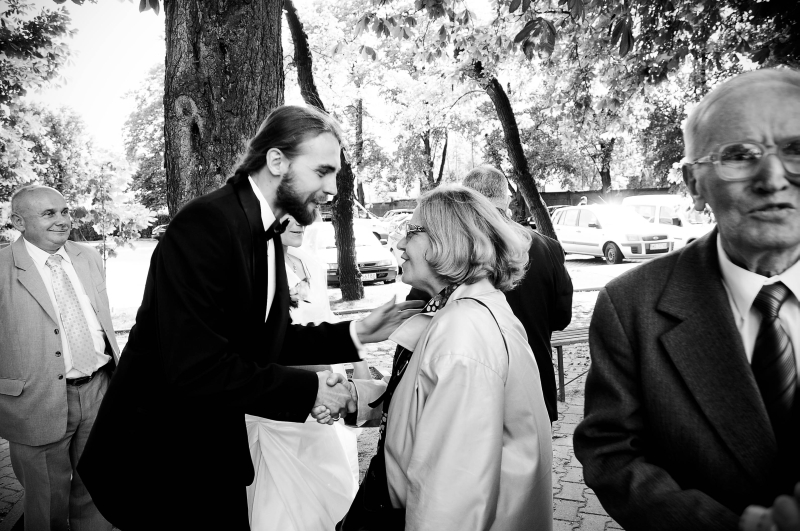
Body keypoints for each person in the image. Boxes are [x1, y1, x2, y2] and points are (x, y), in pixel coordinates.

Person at [76, 105, 423, 530]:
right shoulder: (207, 223)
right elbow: (197, 368)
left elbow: (265, 340)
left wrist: (356, 332)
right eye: (322, 171)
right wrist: (312, 389)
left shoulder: (267, 231)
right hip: (163, 459)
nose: (333, 188)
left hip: (213, 450)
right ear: (277, 161)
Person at [573, 68, 800, 530]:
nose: (773, 178)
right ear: (694, 183)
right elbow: (611, 453)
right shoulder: (631, 305)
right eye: (739, 155)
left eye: (796, 149)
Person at [333, 185, 554, 531]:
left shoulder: (463, 331)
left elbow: (451, 496)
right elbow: (425, 402)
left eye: (412, 231)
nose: (400, 244)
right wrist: (359, 398)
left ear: (448, 240)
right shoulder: (459, 313)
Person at [405, 166, 573, 421]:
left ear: (465, 199)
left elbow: (415, 317)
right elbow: (562, 318)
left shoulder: (450, 247)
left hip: (464, 396)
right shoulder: (547, 247)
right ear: (506, 198)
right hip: (533, 388)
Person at [0, 185, 119, 531]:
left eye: (65, 211)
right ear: (19, 222)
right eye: (49, 213)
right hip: (35, 400)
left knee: (98, 486)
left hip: (99, 388)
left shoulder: (88, 257)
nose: (62, 220)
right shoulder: (2, 267)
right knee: (46, 502)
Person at [245, 214, 370, 530]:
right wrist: (316, 387)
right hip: (285, 402)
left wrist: (358, 366)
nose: (301, 221)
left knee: (334, 486)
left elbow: (325, 319)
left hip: (328, 386)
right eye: (288, 214)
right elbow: (267, 347)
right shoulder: (253, 269)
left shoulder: (310, 261)